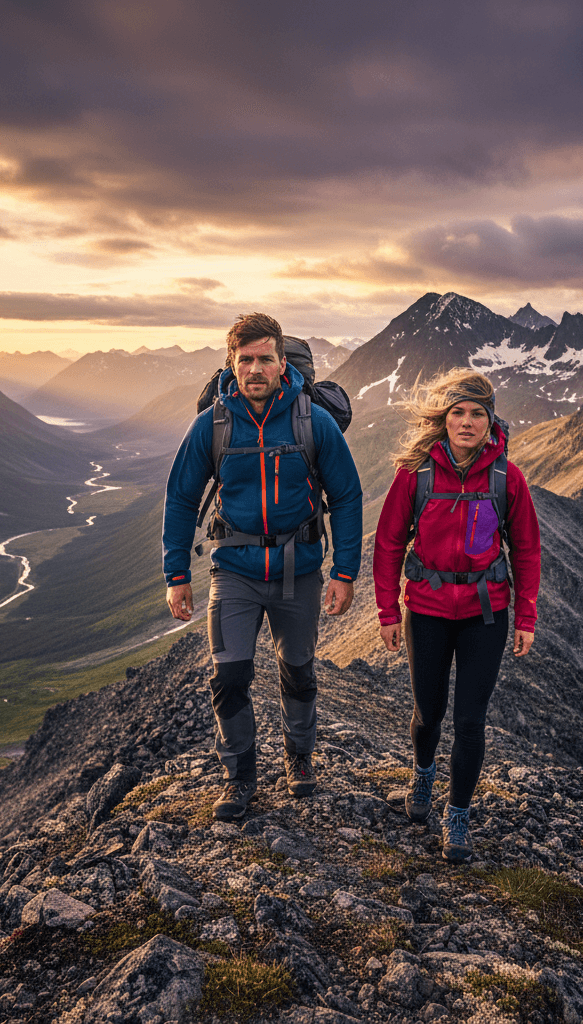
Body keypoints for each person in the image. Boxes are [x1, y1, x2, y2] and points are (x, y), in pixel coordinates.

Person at [163, 312, 362, 820]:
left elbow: (347, 496)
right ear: (232, 363)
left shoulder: (311, 422)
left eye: (265, 358)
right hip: (234, 572)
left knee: (297, 670)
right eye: (245, 359)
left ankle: (299, 758)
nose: (255, 368)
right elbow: (182, 499)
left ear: (280, 363)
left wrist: (344, 572)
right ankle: (240, 777)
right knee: (228, 676)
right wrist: (176, 575)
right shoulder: (212, 425)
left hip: (299, 570)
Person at [373, 368, 540, 862]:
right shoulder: (416, 474)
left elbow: (527, 549)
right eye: (458, 413)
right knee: (429, 712)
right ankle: (424, 774)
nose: (467, 422)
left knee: (470, 721)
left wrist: (526, 617)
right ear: (443, 419)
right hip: (424, 609)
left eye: (477, 414)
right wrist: (386, 611)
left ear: (491, 422)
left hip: (485, 614)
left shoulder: (507, 478)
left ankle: (458, 813)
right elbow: (387, 543)